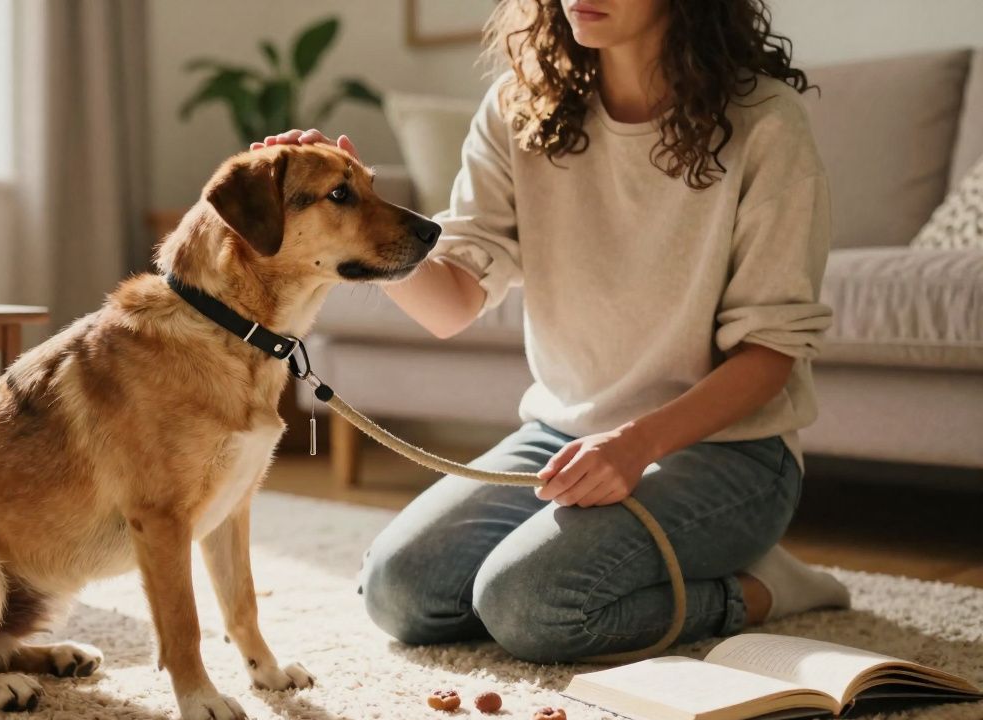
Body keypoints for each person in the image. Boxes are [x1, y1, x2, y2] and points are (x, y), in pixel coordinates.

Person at [252, 0, 850, 663]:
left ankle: (763, 588)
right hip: (563, 437)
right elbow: (451, 304)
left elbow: (769, 356)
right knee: (399, 591)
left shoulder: (765, 122)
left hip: (731, 453)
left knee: (530, 605)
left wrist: (634, 445)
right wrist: (358, 216)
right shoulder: (520, 109)